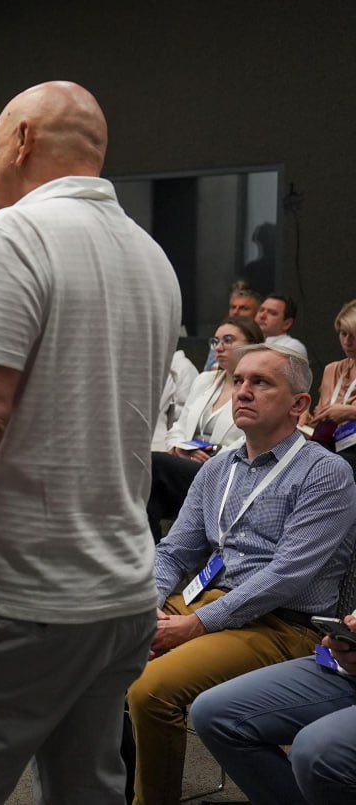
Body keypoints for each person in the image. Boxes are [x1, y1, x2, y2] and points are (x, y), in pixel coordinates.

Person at [0, 81, 182, 803]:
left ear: (21, 141)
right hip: (118, 593)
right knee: (88, 790)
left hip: (16, 594)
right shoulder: (151, 256)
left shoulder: (12, 234)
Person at [127, 344, 356, 804]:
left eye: (261, 382)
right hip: (207, 602)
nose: (243, 391)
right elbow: (174, 552)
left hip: (280, 623)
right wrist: (146, 606)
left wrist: (194, 624)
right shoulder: (218, 468)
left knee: (149, 688)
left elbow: (285, 576)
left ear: (299, 404)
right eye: (239, 381)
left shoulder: (324, 473)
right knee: (98, 653)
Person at [191, 614, 356, 805]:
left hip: (281, 623)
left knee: (317, 752)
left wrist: (200, 620)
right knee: (212, 712)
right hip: (340, 666)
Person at [148, 316, 265, 538]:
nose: (218, 347)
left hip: (229, 473)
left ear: (252, 345)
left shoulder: (260, 388)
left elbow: (255, 439)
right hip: (190, 466)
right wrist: (180, 448)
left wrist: (211, 457)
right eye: (215, 341)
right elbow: (178, 427)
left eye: (228, 340)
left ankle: (152, 556)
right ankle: (153, 555)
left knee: (155, 465)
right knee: (151, 494)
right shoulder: (205, 380)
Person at [303, 299, 356, 475]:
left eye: (353, 335)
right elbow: (321, 414)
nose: (347, 341)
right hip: (327, 450)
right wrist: (306, 417)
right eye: (343, 333)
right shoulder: (332, 369)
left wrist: (350, 412)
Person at [203, 287, 263, 370]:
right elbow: (210, 369)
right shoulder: (220, 336)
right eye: (233, 307)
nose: (235, 312)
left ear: (258, 312)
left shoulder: (266, 338)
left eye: (244, 308)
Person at [256, 292, 308, 361]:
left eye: (272, 313)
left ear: (287, 324)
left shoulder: (293, 347)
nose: (262, 316)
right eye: (261, 310)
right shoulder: (248, 340)